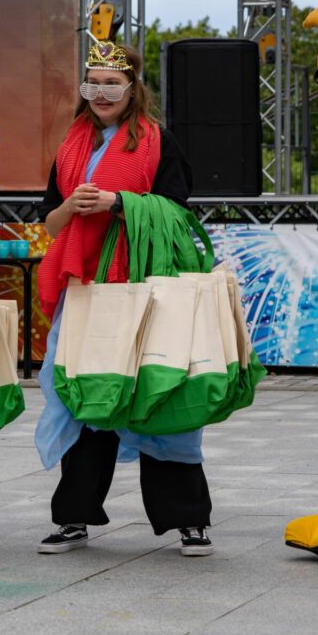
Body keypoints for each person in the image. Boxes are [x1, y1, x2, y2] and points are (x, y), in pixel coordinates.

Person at [35, 41, 214, 557]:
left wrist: (118, 203)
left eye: (112, 83)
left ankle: (188, 520)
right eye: (92, 83)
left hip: (147, 287)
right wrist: (72, 205)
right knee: (87, 396)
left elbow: (177, 212)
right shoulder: (71, 145)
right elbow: (50, 222)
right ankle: (73, 517)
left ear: (133, 88)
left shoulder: (159, 142)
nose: (101, 93)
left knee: (159, 396)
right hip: (86, 290)